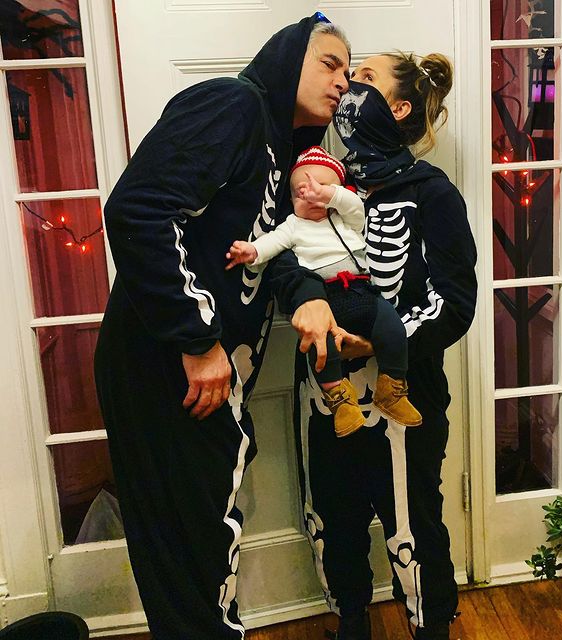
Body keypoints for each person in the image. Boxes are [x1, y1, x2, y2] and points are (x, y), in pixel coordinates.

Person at [93, 14, 351, 640]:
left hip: (202, 375)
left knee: (205, 545)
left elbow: (269, 248)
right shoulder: (233, 105)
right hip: (165, 366)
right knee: (188, 550)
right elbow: (139, 210)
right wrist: (197, 339)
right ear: (289, 58)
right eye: (330, 63)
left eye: (349, 70)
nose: (343, 81)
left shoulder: (278, 149)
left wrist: (309, 297)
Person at [271, 52, 478, 640]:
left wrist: (381, 341)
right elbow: (286, 259)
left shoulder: (432, 193)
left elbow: (455, 302)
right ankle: (351, 623)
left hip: (403, 391)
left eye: (364, 78)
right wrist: (308, 296)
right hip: (325, 387)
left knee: (413, 522)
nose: (347, 87)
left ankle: (431, 626)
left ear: (398, 107)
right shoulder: (318, 181)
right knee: (332, 520)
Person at [226, 146, 422, 437]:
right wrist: (251, 250)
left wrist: (331, 196)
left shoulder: (348, 221)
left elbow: (356, 206)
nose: (312, 197)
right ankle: (339, 401)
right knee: (322, 348)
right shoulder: (293, 225)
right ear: (291, 199)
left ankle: (392, 387)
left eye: (323, 190)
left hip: (363, 292)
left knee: (392, 328)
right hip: (326, 303)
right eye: (303, 192)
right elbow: (272, 243)